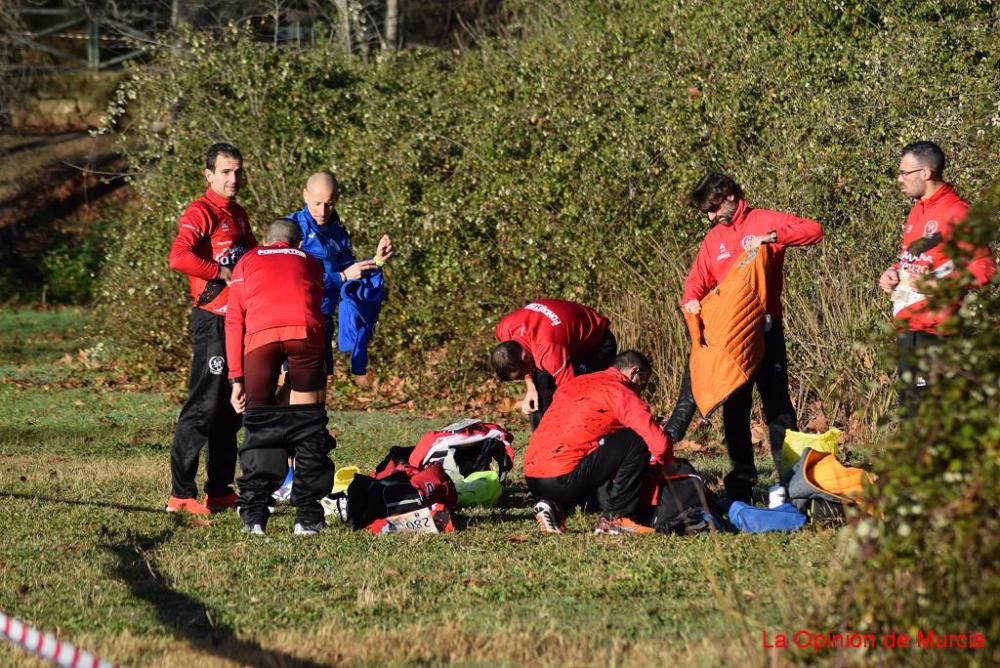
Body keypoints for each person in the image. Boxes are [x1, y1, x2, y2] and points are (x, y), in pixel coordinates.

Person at [679, 172, 823, 503]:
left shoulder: (763, 220)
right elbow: (695, 281)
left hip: (766, 330)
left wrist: (771, 238)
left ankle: (790, 481)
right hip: (729, 340)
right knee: (735, 411)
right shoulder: (713, 240)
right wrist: (691, 299)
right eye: (706, 213)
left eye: (714, 209)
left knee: (778, 409)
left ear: (730, 196)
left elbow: (813, 230)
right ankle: (741, 484)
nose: (711, 217)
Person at [225, 218, 335, 535]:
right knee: (309, 423)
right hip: (305, 333)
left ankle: (255, 514)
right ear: (298, 244)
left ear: (265, 241)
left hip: (261, 337)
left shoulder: (247, 261)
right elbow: (316, 304)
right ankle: (308, 516)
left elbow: (234, 322)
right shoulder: (310, 261)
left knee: (259, 423)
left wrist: (236, 379)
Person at [165, 142, 257, 515]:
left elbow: (252, 257)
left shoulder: (238, 214)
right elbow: (178, 256)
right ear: (209, 175)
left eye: (237, 171)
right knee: (202, 407)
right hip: (212, 323)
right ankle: (180, 495)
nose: (233, 178)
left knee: (229, 412)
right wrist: (221, 272)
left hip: (237, 322)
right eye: (225, 172)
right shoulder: (200, 211)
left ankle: (219, 490)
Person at [878, 141, 996, 411]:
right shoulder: (917, 209)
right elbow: (914, 259)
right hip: (908, 327)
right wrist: (893, 273)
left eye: (904, 173)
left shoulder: (958, 213)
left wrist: (937, 284)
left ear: (926, 173)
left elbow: (985, 267)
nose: (899, 179)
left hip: (934, 332)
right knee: (910, 415)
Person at [524, 350, 672, 535]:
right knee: (636, 439)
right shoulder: (619, 391)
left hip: (533, 477)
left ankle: (553, 505)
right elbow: (660, 444)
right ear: (634, 372)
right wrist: (661, 468)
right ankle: (616, 518)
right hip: (562, 477)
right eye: (642, 384)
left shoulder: (576, 383)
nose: (640, 391)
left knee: (589, 447)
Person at [286, 171, 394, 381]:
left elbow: (351, 272)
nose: (323, 211)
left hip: (323, 317)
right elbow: (291, 280)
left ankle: (316, 415)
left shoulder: (338, 231)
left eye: (329, 204)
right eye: (317, 203)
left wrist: (377, 260)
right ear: (305, 195)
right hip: (294, 320)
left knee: (319, 385)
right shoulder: (290, 229)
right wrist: (341, 276)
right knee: (290, 385)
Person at [492, 299, 617, 430]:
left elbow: (572, 393)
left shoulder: (548, 351)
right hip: (560, 344)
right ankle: (541, 443)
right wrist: (530, 387)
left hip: (597, 345)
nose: (524, 377)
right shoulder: (504, 328)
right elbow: (526, 361)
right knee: (539, 399)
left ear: (526, 357)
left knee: (580, 398)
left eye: (521, 375)